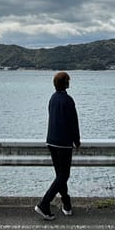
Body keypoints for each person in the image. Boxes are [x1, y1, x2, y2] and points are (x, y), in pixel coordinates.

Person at [34, 70, 80, 220]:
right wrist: (77, 141)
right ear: (65, 83)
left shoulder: (52, 98)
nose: (69, 82)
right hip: (63, 143)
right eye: (68, 80)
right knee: (64, 175)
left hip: (51, 141)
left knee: (60, 176)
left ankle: (67, 205)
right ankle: (44, 204)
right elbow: (73, 123)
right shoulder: (68, 100)